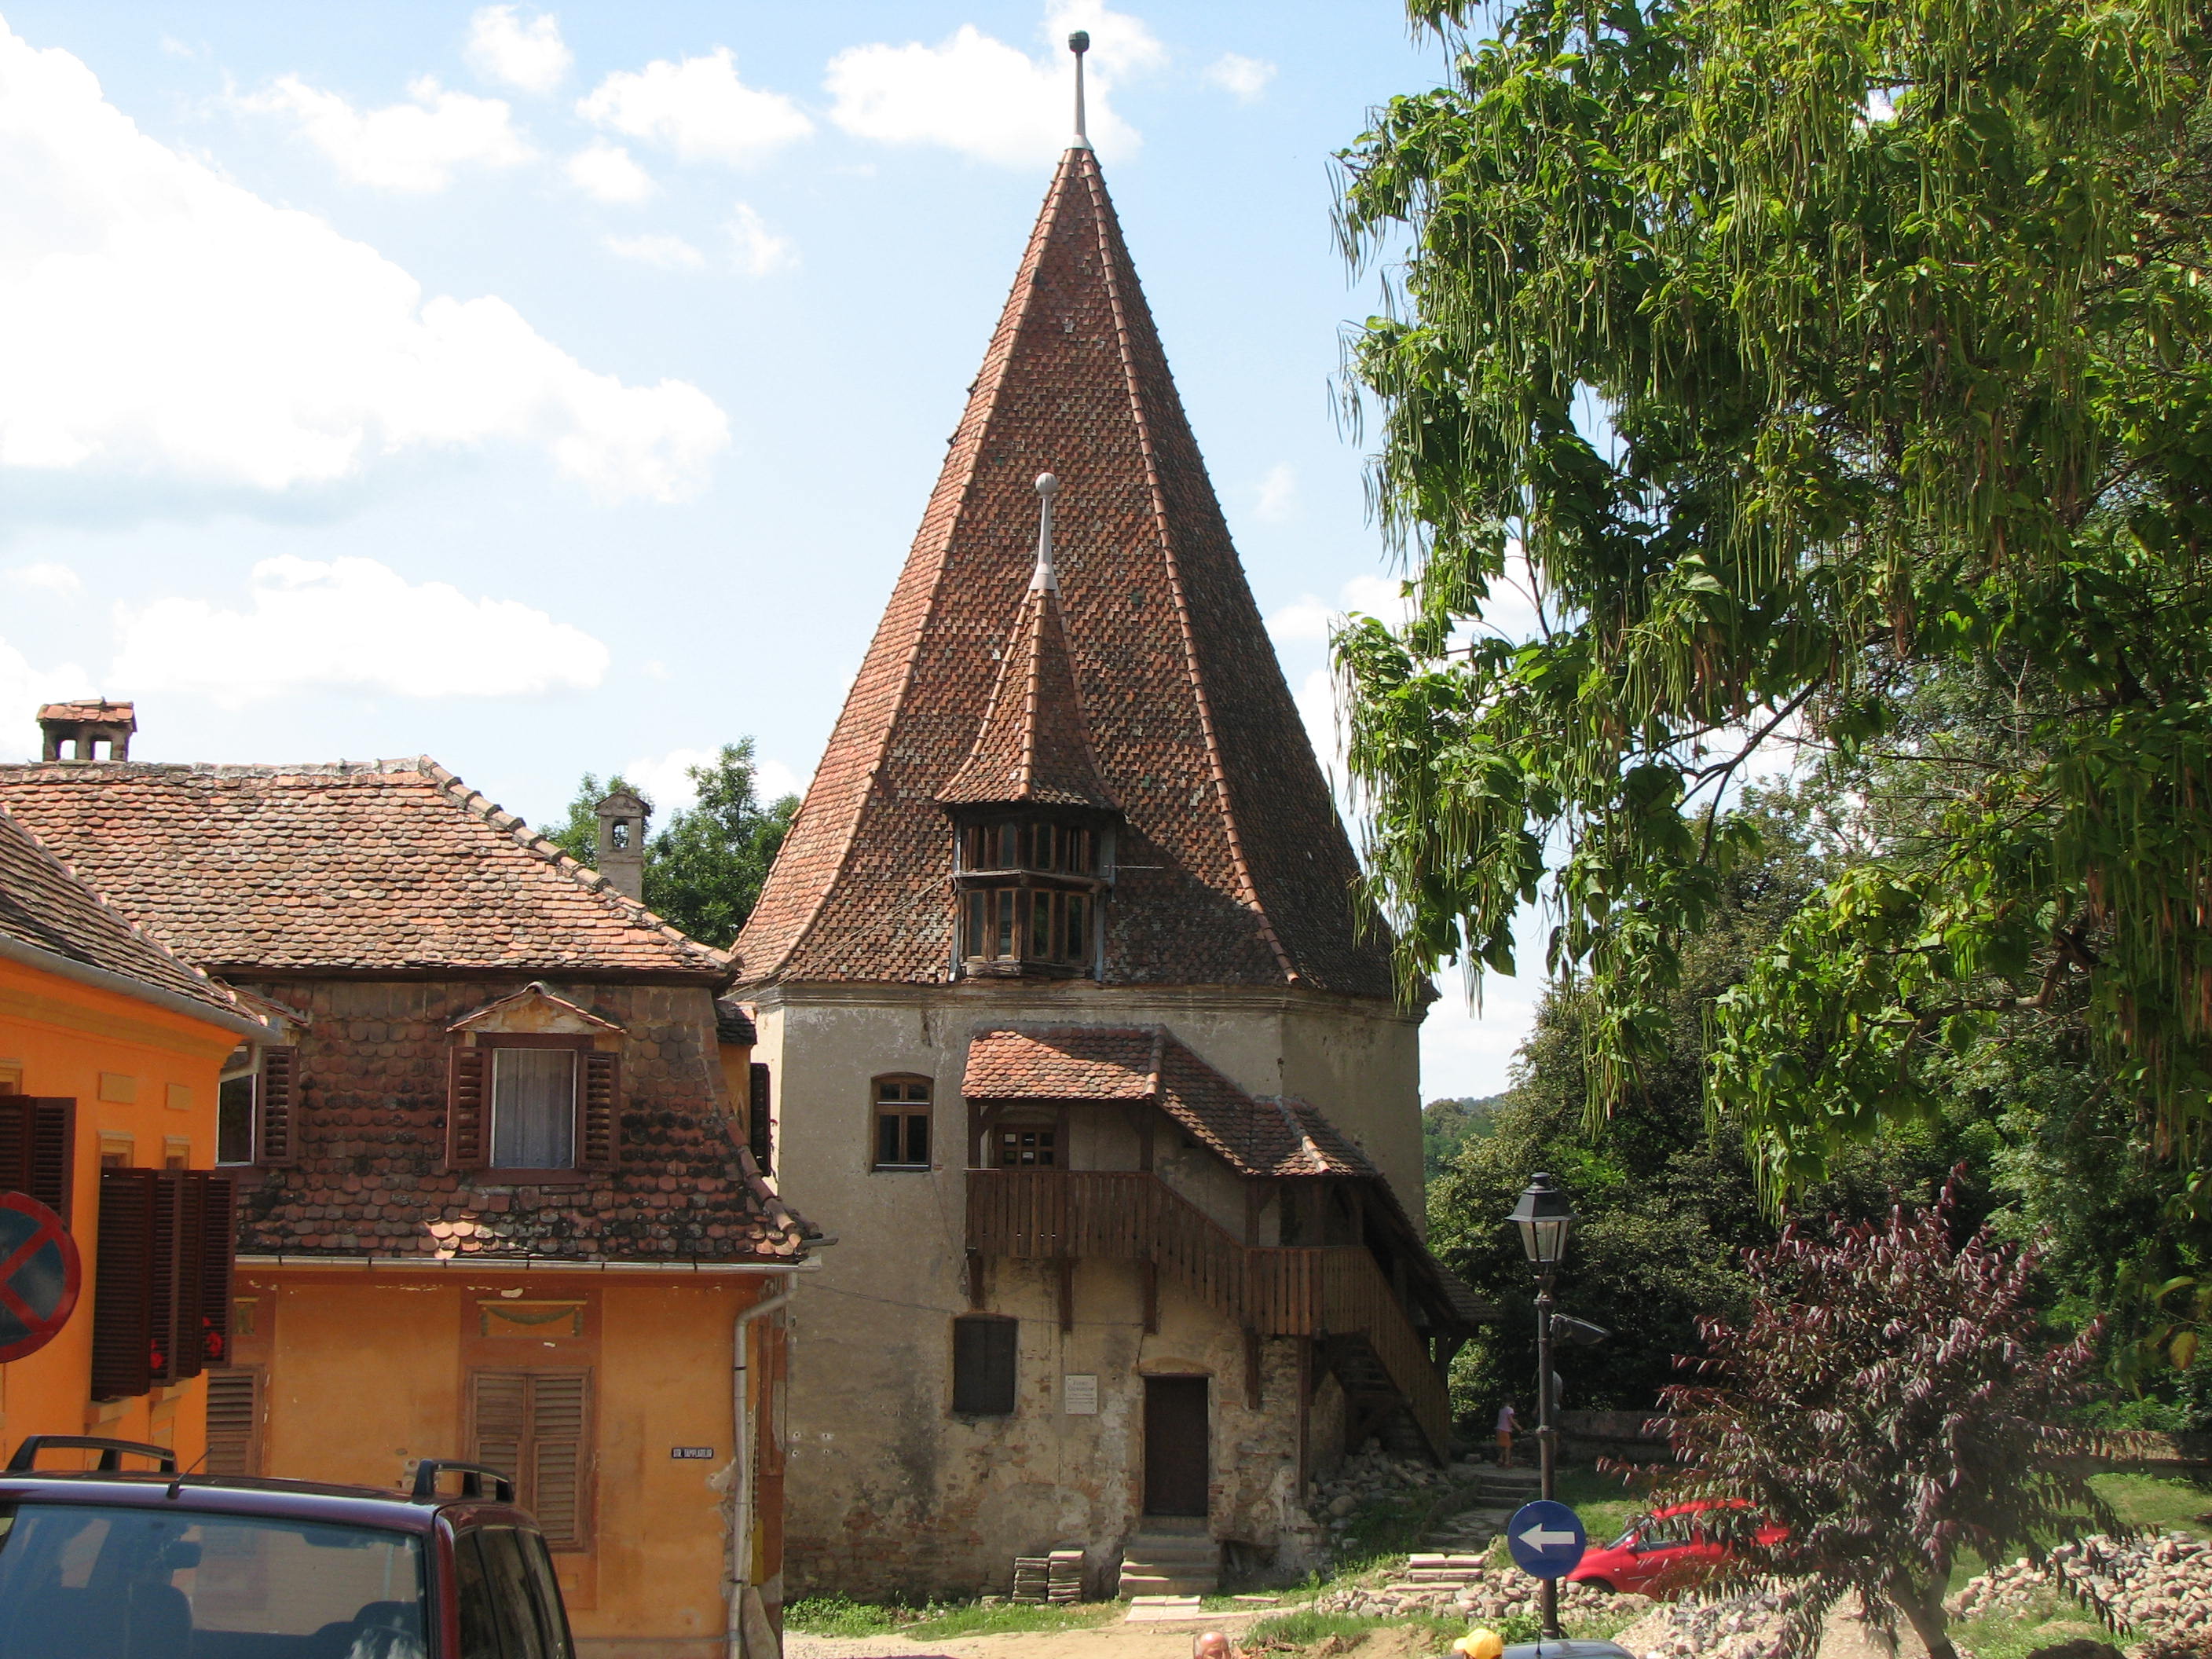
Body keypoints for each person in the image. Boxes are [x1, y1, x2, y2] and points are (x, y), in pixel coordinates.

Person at [1495, 1400, 1520, 1467]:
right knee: (1508, 1447)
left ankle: (1500, 1460)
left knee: (1503, 1446)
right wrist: (1518, 1427)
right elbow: (1510, 1419)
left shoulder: (1501, 1409)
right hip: (1505, 1430)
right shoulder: (1509, 1409)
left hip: (1499, 1429)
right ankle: (1507, 1462)